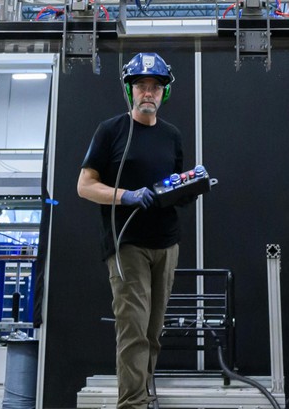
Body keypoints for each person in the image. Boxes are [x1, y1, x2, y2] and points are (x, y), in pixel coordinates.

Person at [77, 52, 185, 409]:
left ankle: (143, 393)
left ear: (163, 93)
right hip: (127, 245)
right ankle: (133, 405)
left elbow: (174, 185)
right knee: (133, 330)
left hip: (166, 245)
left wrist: (185, 190)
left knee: (153, 332)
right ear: (130, 90)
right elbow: (84, 186)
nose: (148, 93)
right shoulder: (110, 131)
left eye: (155, 86)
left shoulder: (172, 136)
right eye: (141, 86)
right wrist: (126, 196)